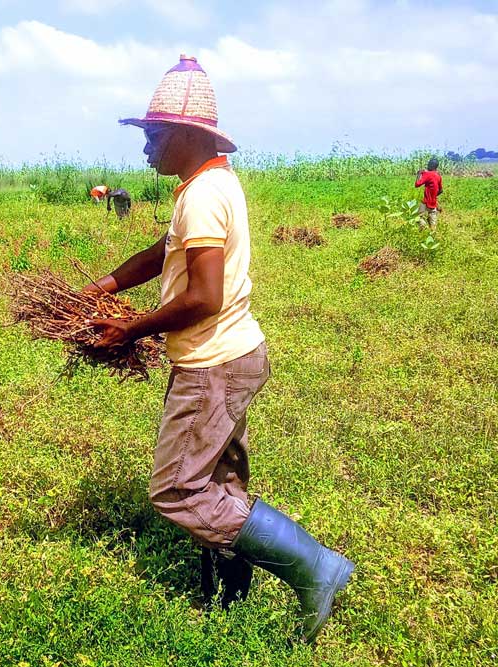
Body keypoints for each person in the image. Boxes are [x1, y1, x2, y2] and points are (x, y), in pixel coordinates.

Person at [82, 54, 354, 642]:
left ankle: (317, 567)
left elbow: (204, 296)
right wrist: (105, 286)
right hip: (235, 356)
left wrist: (132, 327)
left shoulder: (203, 195)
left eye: (152, 136)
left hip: (211, 363)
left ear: (185, 134)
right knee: (222, 485)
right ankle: (230, 593)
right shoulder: (207, 186)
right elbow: (165, 252)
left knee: (178, 490)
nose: (145, 149)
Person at [415, 158, 443, 229]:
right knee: (433, 222)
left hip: (425, 202)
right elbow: (441, 191)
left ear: (430, 165)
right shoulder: (438, 176)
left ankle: (423, 227)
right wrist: (433, 196)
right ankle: (432, 233)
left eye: (428, 164)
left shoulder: (427, 174)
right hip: (433, 203)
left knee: (418, 217)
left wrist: (419, 174)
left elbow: (417, 184)